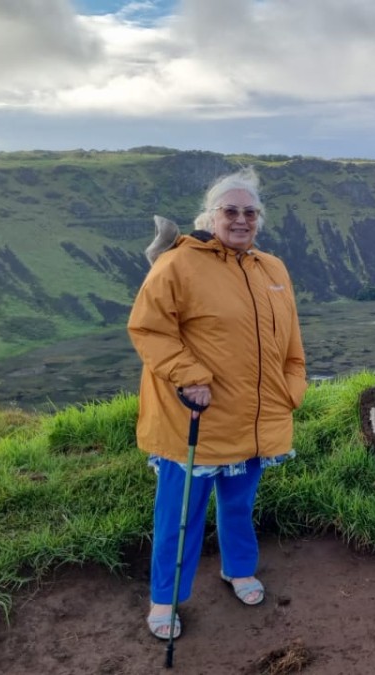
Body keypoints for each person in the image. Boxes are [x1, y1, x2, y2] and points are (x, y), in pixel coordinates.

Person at [128, 166, 307, 640]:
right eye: (231, 211)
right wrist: (190, 377)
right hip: (195, 416)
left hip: (255, 418)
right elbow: (148, 328)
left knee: (239, 505)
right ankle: (165, 598)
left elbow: (291, 338)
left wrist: (293, 385)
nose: (241, 220)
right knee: (180, 516)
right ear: (210, 216)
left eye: (250, 212)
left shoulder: (273, 268)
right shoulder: (177, 264)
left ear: (259, 219)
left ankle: (239, 569)